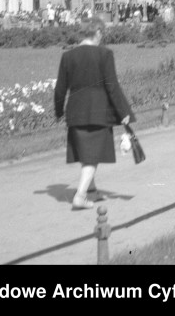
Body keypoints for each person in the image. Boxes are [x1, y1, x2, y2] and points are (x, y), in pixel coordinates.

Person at [53, 18, 135, 210]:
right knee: (92, 156)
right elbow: (112, 86)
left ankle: (91, 191)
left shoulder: (68, 56)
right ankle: (80, 196)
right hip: (98, 111)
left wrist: (58, 111)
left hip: (75, 110)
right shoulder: (104, 54)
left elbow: (60, 89)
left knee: (85, 152)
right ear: (97, 32)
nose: (102, 37)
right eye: (102, 34)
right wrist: (124, 112)